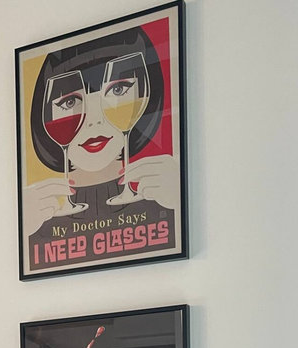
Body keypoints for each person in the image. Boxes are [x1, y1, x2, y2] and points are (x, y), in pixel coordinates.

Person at [22, 26, 180, 268]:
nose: (94, 119)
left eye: (118, 90)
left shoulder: (165, 197)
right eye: (70, 102)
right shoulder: (36, 219)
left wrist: (178, 201)